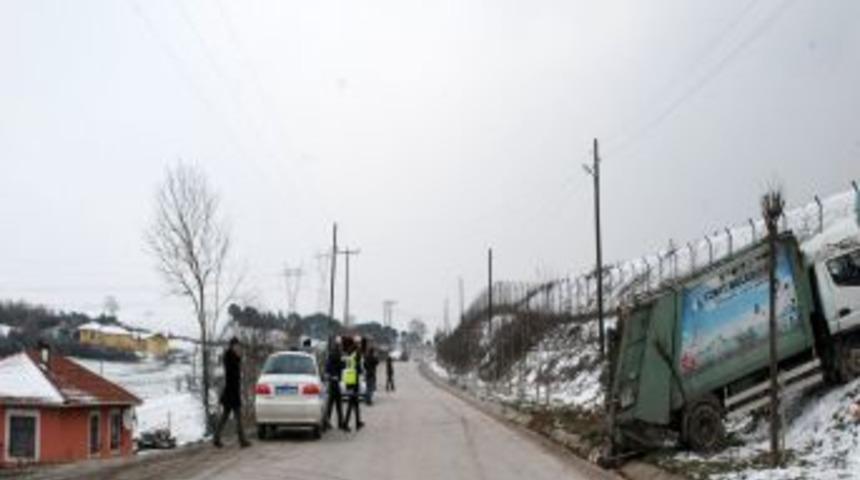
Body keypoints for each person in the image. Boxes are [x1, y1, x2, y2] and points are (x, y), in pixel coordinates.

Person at [213, 337, 250, 448]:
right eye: (236, 345)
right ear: (232, 345)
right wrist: (238, 358)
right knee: (237, 416)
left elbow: (235, 368)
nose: (238, 347)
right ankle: (242, 440)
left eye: (238, 346)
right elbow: (232, 372)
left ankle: (216, 438)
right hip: (231, 391)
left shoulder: (231, 356)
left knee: (225, 416)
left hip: (231, 391)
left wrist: (238, 357)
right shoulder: (229, 356)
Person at [323, 337, 346, 431]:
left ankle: (326, 423)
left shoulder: (330, 356)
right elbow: (343, 366)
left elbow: (327, 368)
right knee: (338, 405)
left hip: (332, 381)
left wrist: (330, 375)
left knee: (330, 404)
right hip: (337, 382)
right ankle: (340, 423)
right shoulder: (340, 356)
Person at [343, 337, 365, 431]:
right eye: (358, 343)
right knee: (352, 402)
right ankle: (345, 424)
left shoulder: (350, 353)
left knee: (355, 403)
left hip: (349, 380)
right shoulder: (356, 354)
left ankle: (358, 422)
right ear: (356, 344)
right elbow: (359, 369)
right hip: (354, 381)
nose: (360, 345)